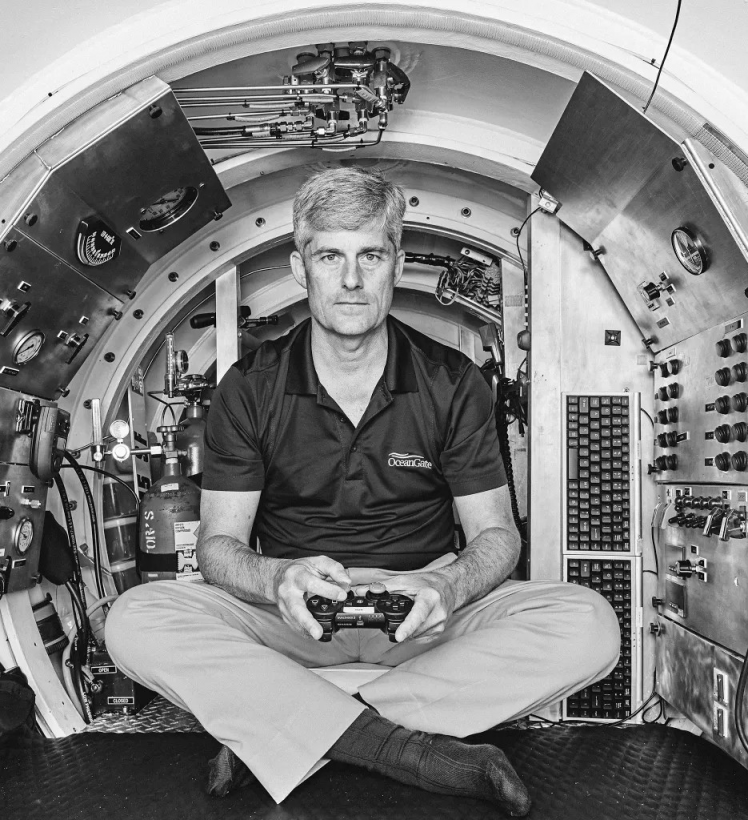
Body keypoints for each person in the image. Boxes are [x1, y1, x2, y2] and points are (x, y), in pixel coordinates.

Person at [105, 166, 620, 816]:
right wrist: (277, 579)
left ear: (396, 264)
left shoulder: (452, 382)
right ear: (301, 268)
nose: (351, 280)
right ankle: (404, 746)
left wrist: (447, 586)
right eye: (330, 257)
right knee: (135, 619)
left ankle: (294, 728)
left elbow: (497, 536)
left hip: (421, 615)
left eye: (370, 256)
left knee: (590, 626)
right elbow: (218, 548)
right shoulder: (250, 386)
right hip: (291, 617)